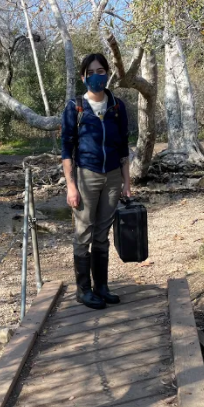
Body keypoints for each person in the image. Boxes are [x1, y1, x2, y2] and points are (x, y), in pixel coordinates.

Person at [61, 53, 131, 310]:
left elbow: (123, 146)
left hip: (113, 176)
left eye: (101, 71)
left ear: (108, 73)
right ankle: (84, 290)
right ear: (83, 76)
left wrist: (126, 182)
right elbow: (66, 149)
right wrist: (71, 185)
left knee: (102, 234)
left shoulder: (117, 106)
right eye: (91, 72)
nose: (96, 76)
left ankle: (102, 287)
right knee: (83, 233)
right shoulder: (75, 107)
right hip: (86, 175)